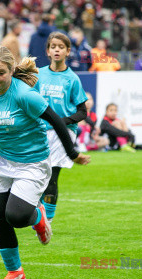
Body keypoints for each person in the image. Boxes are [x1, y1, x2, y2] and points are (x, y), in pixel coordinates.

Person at [0, 46, 90, 279]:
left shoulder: (25, 95)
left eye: (0, 73)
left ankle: (38, 217)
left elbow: (57, 122)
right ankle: (15, 271)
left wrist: (72, 153)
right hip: (1, 162)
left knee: (16, 215)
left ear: (12, 70)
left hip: (32, 163)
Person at [34, 32, 89, 240]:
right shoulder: (39, 75)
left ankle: (48, 220)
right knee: (36, 174)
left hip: (63, 134)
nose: (57, 50)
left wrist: (62, 121)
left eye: (61, 47)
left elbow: (82, 111)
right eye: (53, 46)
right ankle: (38, 214)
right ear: (47, 51)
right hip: (40, 131)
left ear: (67, 51)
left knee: (52, 175)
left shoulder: (72, 79)